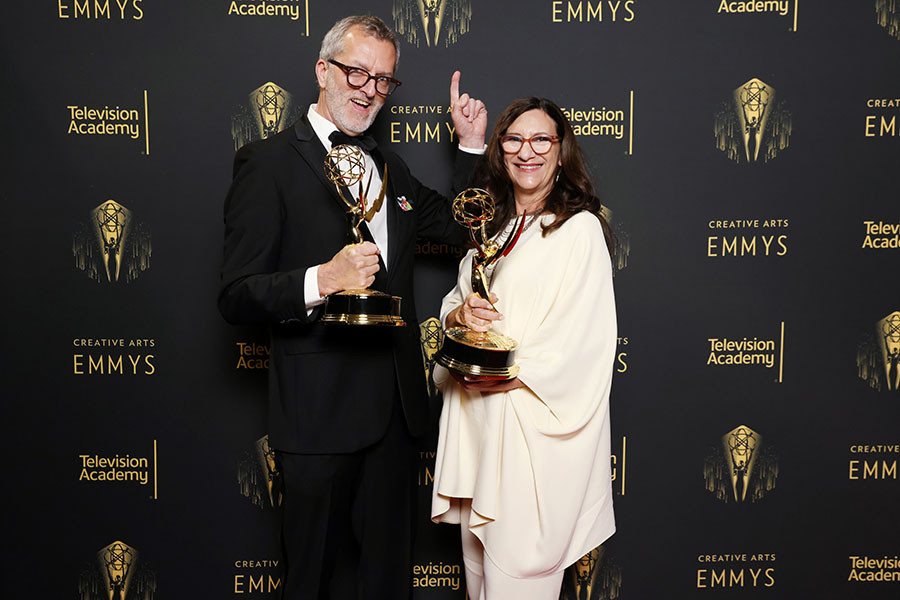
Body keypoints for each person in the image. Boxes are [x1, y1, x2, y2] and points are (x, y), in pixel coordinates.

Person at [218, 15, 487, 600]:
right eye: (356, 71)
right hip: (316, 418)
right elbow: (236, 294)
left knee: (389, 584)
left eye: (383, 80)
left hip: (395, 419)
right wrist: (323, 278)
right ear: (323, 70)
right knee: (309, 580)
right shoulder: (266, 164)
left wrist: (468, 145)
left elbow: (466, 226)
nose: (368, 89)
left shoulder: (393, 168)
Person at [431, 97, 617, 599]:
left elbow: (584, 344)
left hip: (530, 447)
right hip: (479, 432)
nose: (526, 151)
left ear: (562, 151)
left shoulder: (580, 231)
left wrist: (495, 369)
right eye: (514, 139)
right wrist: (461, 316)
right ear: (500, 149)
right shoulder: (492, 228)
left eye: (541, 140)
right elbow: (455, 302)